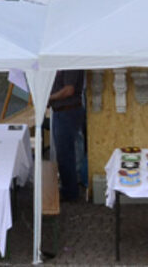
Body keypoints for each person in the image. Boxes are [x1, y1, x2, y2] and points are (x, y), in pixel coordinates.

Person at [49, 69, 87, 201]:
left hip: (67, 111)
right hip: (61, 111)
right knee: (64, 153)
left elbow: (69, 90)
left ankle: (70, 193)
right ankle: (68, 188)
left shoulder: (71, 64)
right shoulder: (63, 62)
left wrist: (49, 97)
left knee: (65, 154)